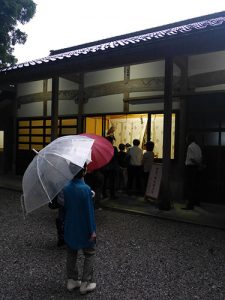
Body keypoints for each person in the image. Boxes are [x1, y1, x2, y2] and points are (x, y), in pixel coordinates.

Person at [59, 163, 97, 295]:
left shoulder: (65, 188)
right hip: (84, 226)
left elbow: (65, 204)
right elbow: (89, 212)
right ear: (84, 171)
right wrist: (92, 230)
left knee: (71, 252)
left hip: (70, 225)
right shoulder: (85, 189)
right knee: (90, 253)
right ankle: (85, 283)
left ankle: (72, 280)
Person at [183, 134, 202, 210]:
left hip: (190, 168)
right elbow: (200, 157)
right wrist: (200, 165)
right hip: (196, 168)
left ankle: (190, 205)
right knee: (195, 186)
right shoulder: (198, 146)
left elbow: (191, 159)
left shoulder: (190, 147)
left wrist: (199, 164)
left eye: (187, 139)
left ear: (189, 139)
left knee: (190, 186)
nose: (186, 140)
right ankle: (196, 202)